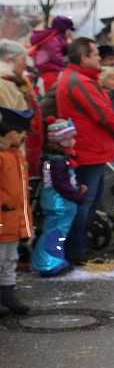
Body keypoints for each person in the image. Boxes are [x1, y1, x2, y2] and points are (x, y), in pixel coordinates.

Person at [56, 38, 114, 265]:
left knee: (90, 201)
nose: (100, 58)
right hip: (88, 150)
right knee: (86, 202)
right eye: (96, 54)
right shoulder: (80, 82)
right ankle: (76, 248)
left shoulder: (81, 78)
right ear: (84, 57)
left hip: (91, 148)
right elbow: (102, 113)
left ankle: (79, 246)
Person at [31, 117, 85, 277]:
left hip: (59, 201)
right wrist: (77, 195)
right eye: (71, 138)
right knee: (56, 233)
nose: (74, 141)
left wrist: (77, 187)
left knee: (57, 233)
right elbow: (61, 184)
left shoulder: (55, 160)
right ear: (63, 141)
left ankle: (53, 260)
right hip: (59, 203)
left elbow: (63, 181)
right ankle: (48, 263)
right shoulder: (56, 162)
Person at [0, 108, 34, 315]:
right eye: (23, 134)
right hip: (2, 217)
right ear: (13, 134)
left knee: (10, 258)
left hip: (13, 218)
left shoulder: (15, 155)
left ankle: (7, 293)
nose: (24, 138)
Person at [0, 39, 43, 175]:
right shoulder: (5, 82)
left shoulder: (16, 82)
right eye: (22, 60)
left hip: (15, 148)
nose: (25, 65)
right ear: (8, 60)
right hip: (7, 150)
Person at [28, 16, 72, 93]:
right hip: (49, 68)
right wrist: (68, 61)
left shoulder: (57, 38)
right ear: (64, 29)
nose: (70, 32)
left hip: (49, 67)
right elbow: (57, 57)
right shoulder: (54, 40)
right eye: (69, 30)